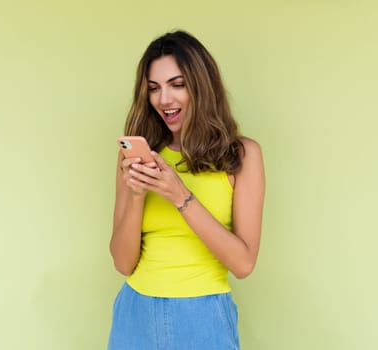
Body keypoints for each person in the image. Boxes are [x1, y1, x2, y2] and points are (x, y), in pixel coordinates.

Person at [108, 30, 265, 350]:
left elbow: (244, 264)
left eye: (177, 84)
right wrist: (137, 193)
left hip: (204, 314)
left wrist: (180, 196)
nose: (164, 100)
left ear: (202, 85)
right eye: (154, 88)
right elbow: (123, 263)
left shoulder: (242, 156)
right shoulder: (138, 156)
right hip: (136, 312)